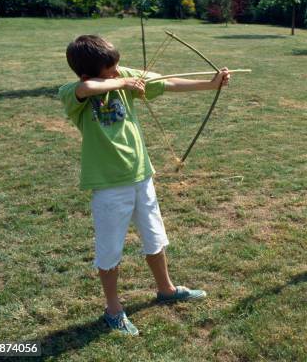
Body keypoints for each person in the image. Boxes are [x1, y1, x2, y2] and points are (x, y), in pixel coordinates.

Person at [58, 35, 230, 335]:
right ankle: (113, 309)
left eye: (117, 66)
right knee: (110, 249)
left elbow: (167, 82)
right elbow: (86, 89)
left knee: (155, 237)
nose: (119, 71)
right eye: (111, 69)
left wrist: (210, 83)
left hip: (141, 176)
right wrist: (123, 84)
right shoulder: (74, 93)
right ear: (87, 72)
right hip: (109, 184)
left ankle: (166, 289)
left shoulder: (121, 75)